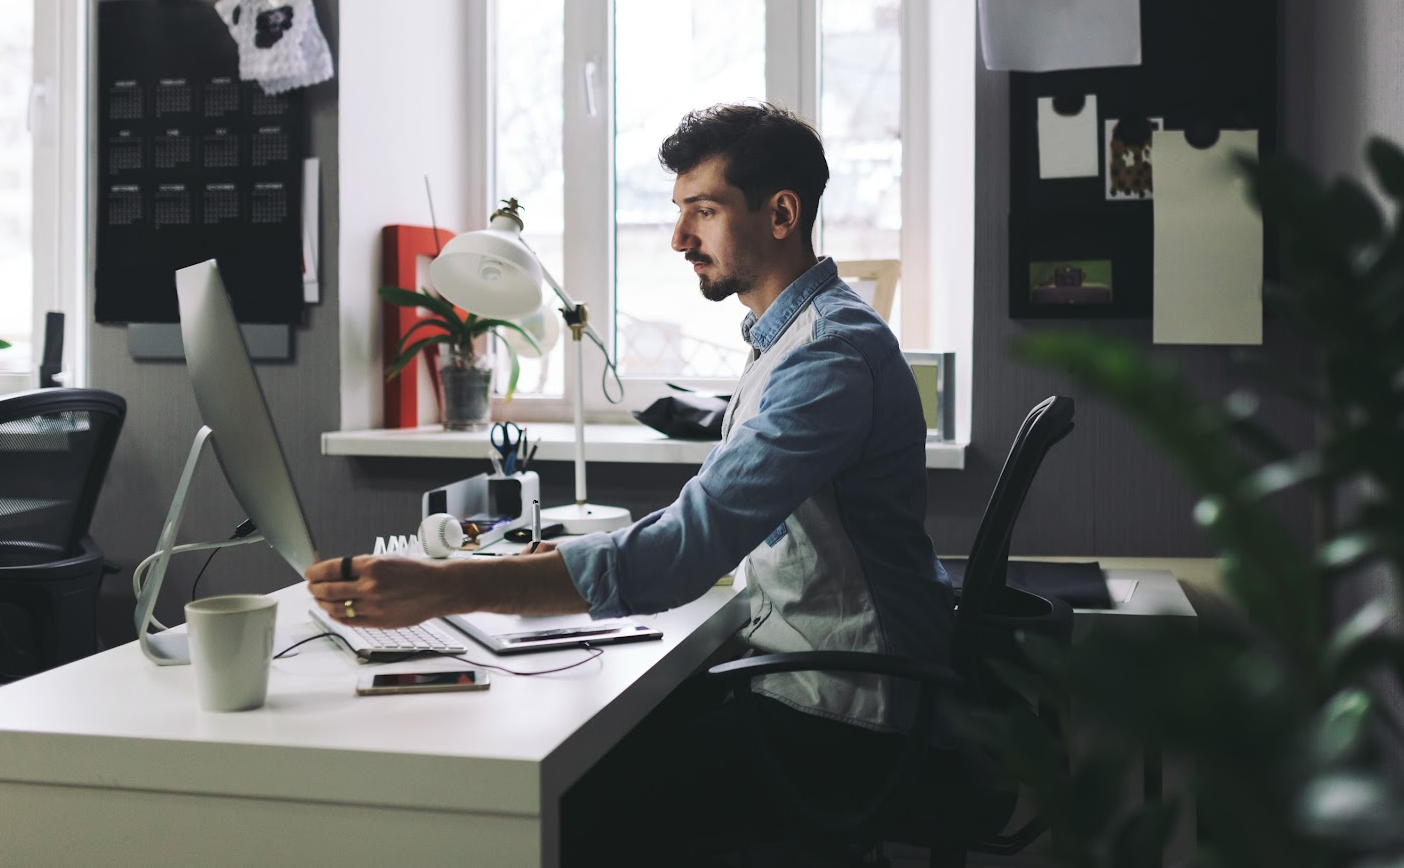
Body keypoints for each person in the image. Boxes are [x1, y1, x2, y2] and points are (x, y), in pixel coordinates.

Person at [307, 102, 953, 862]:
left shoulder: (827, 359)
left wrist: (445, 587)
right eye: (679, 213)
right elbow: (710, 524)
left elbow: (683, 549)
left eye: (702, 211)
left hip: (840, 718)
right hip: (810, 681)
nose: (679, 238)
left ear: (782, 212)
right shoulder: (795, 341)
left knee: (567, 802)